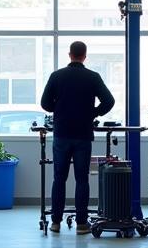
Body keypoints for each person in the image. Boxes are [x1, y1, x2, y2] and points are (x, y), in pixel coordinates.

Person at [40, 41, 115, 234]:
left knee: (59, 178)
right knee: (82, 179)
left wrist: (59, 108)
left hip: (62, 133)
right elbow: (109, 101)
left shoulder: (57, 76)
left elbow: (45, 103)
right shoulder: (92, 77)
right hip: (83, 134)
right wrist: (93, 113)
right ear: (84, 55)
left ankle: (55, 222)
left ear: (70, 54)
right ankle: (82, 223)